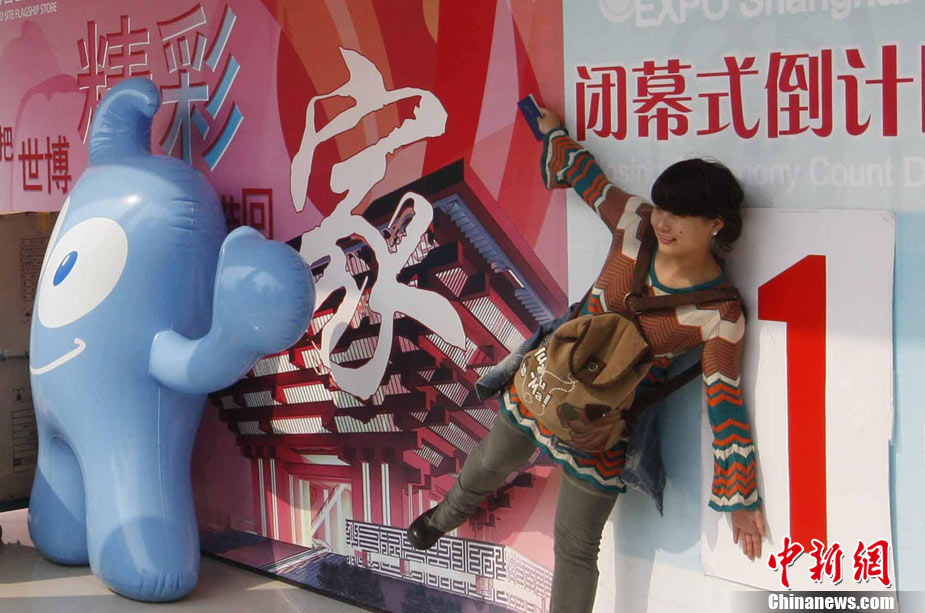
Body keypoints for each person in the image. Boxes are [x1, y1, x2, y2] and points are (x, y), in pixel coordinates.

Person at [406, 108, 767, 613]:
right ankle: (441, 520)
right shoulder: (635, 223)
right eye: (662, 207)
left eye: (680, 214)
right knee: (489, 462)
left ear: (716, 224)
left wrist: (742, 497)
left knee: (576, 547)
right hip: (547, 380)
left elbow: (725, 401)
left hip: (603, 426)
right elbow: (589, 180)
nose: (663, 222)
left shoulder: (719, 313)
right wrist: (553, 134)